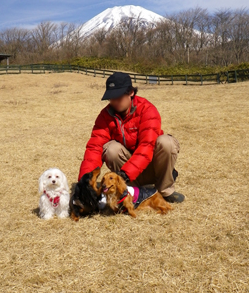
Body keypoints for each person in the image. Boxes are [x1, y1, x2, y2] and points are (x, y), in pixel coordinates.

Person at [78, 72, 185, 203]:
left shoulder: (147, 110)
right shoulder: (105, 115)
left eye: (118, 97)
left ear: (131, 93)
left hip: (152, 167)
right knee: (111, 149)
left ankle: (165, 189)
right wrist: (85, 182)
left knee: (166, 142)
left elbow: (147, 146)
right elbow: (94, 147)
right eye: (111, 97)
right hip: (129, 171)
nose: (114, 101)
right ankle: (132, 190)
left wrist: (125, 174)